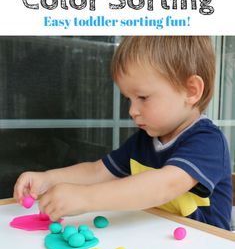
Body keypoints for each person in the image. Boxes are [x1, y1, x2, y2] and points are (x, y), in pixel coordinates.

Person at [13, 36, 232, 230]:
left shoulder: (208, 142)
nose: (132, 111)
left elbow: (164, 186)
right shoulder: (143, 141)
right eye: (129, 99)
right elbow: (98, 171)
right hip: (160, 243)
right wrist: (48, 179)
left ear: (191, 90)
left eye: (143, 97)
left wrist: (85, 198)